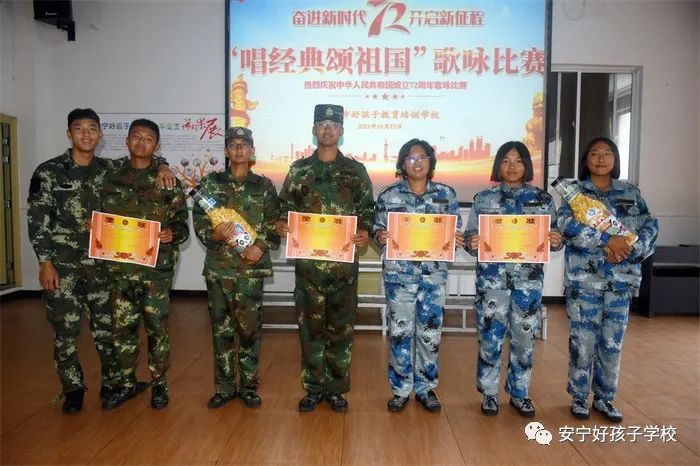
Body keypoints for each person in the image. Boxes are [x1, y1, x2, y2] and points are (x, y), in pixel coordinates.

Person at [26, 109, 173, 414]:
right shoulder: (49, 172)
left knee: (108, 332)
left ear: (100, 134)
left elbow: (142, 158)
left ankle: (112, 384)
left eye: (92, 128)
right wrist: (45, 262)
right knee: (65, 332)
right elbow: (37, 221)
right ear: (69, 134)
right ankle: (73, 390)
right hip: (63, 267)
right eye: (79, 129)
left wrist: (163, 165)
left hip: (104, 266)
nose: (86, 134)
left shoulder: (109, 169)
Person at [275, 104, 374, 413]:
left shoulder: (356, 171)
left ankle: (336, 389)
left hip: (343, 269)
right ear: (314, 130)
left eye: (333, 124)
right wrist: (281, 224)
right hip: (309, 270)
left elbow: (367, 210)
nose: (327, 129)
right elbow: (283, 208)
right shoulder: (299, 170)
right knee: (310, 330)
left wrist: (365, 231)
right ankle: (314, 387)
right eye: (322, 124)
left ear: (341, 131)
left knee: (341, 330)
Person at [558, 137, 658, 423]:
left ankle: (604, 398)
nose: (601, 159)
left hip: (620, 280)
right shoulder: (575, 194)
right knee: (583, 342)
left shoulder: (631, 192)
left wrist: (631, 249)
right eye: (594, 153)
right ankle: (579, 397)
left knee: (612, 344)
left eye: (607, 154)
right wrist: (606, 240)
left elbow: (650, 224)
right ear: (586, 160)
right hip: (584, 281)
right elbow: (566, 225)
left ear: (615, 159)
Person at [464, 141, 562, 418]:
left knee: (524, 339)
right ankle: (489, 393)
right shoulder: (484, 199)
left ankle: (520, 393)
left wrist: (556, 240)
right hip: (492, 283)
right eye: (506, 160)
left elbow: (555, 237)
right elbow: (470, 238)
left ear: (527, 165)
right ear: (498, 165)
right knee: (490, 337)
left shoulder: (543, 200)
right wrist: (472, 242)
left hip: (527, 284)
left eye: (518, 161)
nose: (512, 166)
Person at [100, 119, 189, 411]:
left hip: (156, 271)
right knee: (122, 329)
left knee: (156, 329)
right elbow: (96, 216)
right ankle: (126, 384)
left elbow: (182, 225)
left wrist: (172, 233)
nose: (141, 143)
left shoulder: (167, 181)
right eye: (136, 137)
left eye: (148, 139)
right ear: (126, 141)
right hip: (119, 269)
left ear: (157, 145)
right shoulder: (109, 177)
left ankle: (159, 385)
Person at [372, 138, 464, 413]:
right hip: (399, 278)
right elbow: (376, 229)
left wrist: (455, 238)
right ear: (402, 163)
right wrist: (380, 235)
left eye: (422, 157)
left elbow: (454, 229)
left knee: (430, 334)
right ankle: (400, 389)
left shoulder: (446, 194)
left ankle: (425, 388)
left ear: (430, 162)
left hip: (433, 277)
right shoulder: (388, 196)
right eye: (411, 157)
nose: (417, 162)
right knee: (400, 333)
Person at [193, 127, 280, 409]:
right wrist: (214, 234)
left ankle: (249, 387)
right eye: (233, 144)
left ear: (252, 150)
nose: (239, 149)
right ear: (226, 150)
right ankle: (225, 387)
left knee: (249, 331)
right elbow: (199, 219)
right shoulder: (211, 183)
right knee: (221, 331)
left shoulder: (264, 186)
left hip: (250, 270)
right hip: (220, 268)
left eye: (244, 144)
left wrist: (260, 246)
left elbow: (275, 223)